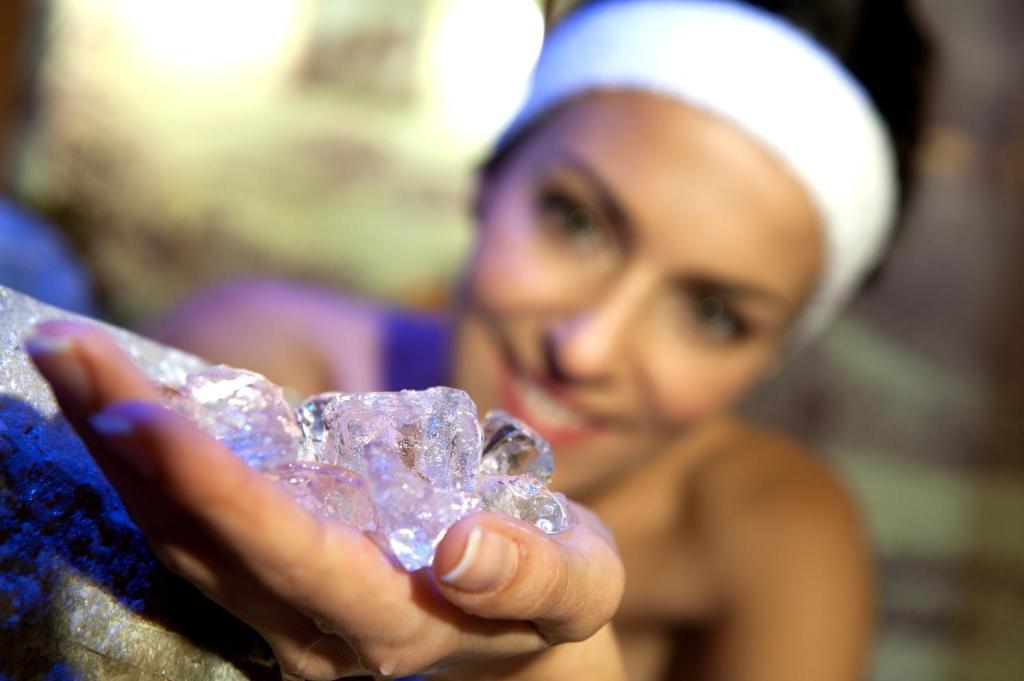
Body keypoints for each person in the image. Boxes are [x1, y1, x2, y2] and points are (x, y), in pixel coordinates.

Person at [28, 0, 933, 679]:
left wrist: (548, 663)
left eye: (714, 314)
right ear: (487, 181)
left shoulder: (773, 536)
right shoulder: (253, 353)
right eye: (575, 219)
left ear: (776, 354)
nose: (586, 347)